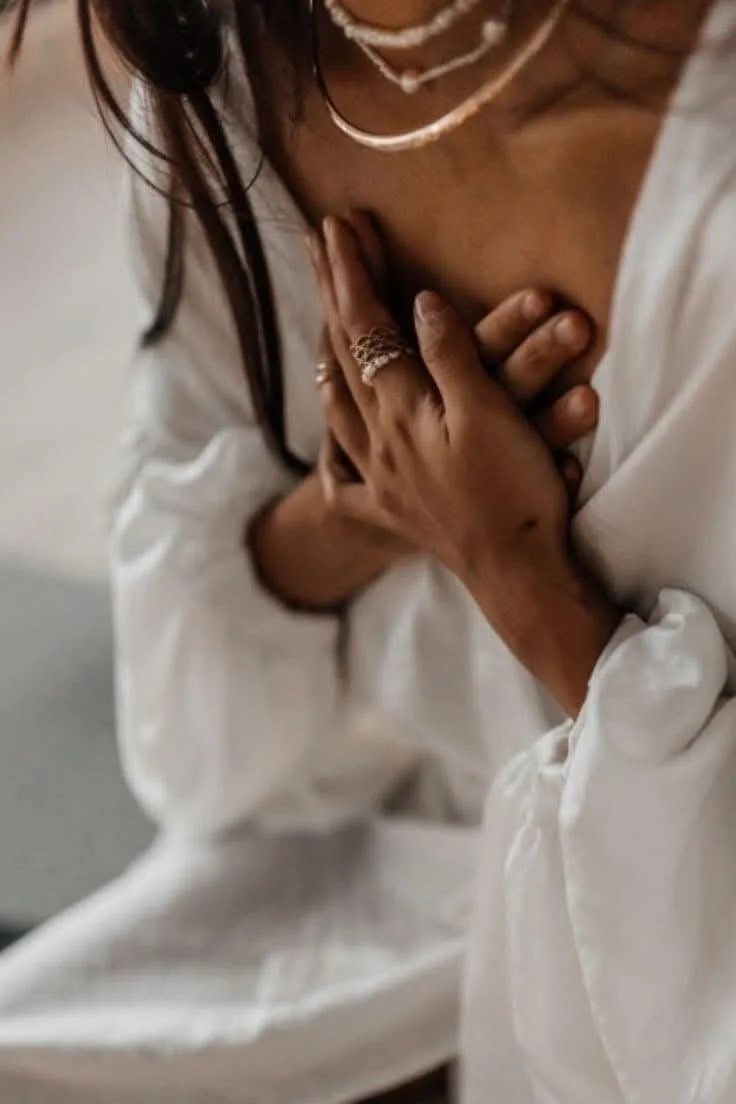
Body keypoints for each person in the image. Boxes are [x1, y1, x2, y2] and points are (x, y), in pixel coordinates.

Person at [1, 0, 736, 1101]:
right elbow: (204, 761)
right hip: (410, 881)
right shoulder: (218, 66)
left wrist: (523, 579)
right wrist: (363, 512)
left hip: (684, 949)